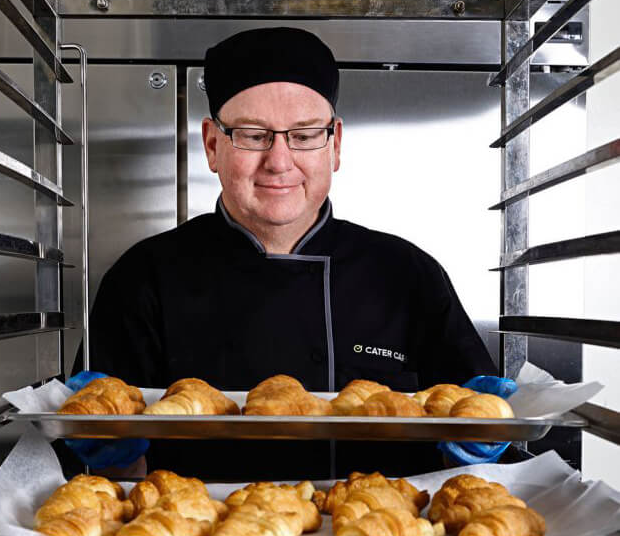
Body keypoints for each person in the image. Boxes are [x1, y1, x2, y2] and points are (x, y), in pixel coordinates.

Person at [65, 27, 497, 480]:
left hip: (382, 526)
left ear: (335, 145)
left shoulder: (408, 275)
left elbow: (475, 459)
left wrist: (481, 442)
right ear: (212, 145)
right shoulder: (142, 278)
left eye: (305, 135)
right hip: (196, 526)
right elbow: (102, 485)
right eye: (254, 135)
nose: (279, 161)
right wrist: (108, 450)